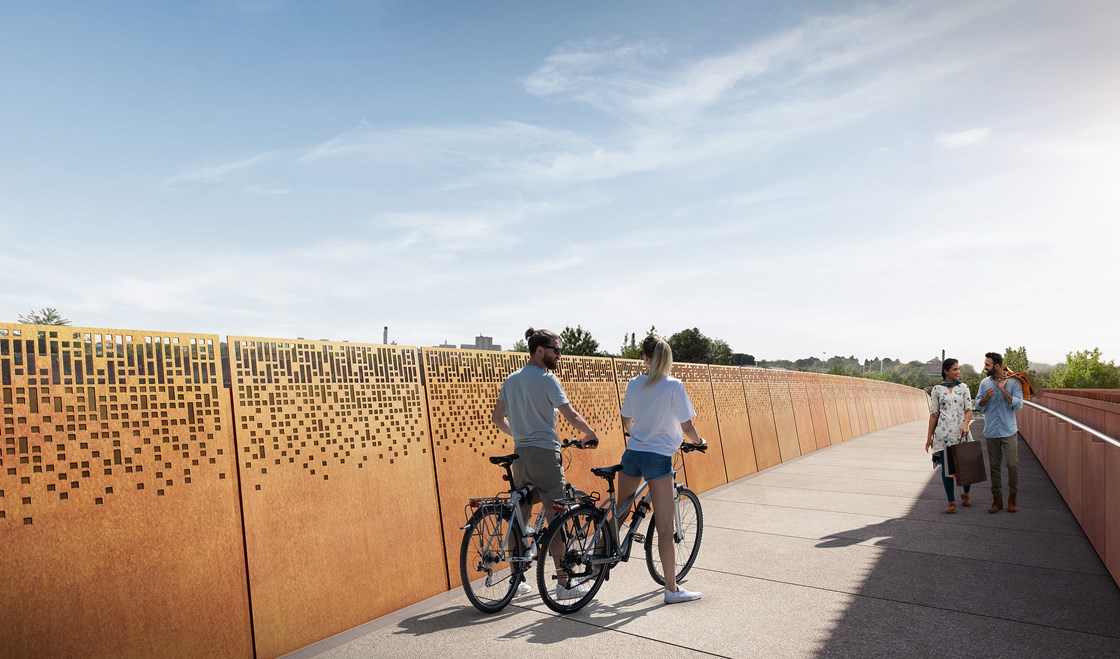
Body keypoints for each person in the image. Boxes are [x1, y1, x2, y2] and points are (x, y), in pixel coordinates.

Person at [492, 327, 600, 597]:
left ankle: (517, 582)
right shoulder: (546, 379)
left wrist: (520, 434)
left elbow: (497, 418)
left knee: (522, 518)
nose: (558, 355)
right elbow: (570, 414)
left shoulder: (512, 380)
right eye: (555, 349)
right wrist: (590, 433)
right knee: (556, 520)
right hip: (545, 455)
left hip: (520, 457)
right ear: (539, 350)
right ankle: (563, 584)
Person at [616, 335, 707, 604]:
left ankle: (597, 566)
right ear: (667, 358)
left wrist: (640, 435)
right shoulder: (674, 386)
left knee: (619, 513)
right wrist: (699, 442)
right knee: (666, 529)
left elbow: (626, 421)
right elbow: (687, 426)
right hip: (658, 459)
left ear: (644, 357)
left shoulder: (635, 383)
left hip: (632, 453)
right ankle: (672, 589)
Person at [975, 351, 1024, 513]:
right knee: (994, 467)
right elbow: (978, 405)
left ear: (996, 366)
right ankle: (997, 500)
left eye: (987, 365)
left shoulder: (1014, 383)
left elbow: (1018, 405)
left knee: (1012, 465)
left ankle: (1013, 497)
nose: (984, 367)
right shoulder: (984, 383)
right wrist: (986, 398)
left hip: (1008, 431)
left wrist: (1003, 391)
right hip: (991, 431)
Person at [925, 358, 974, 513]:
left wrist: (966, 424)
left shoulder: (964, 388)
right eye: (954, 369)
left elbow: (969, 409)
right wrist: (929, 438)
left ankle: (966, 494)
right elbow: (934, 415)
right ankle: (951, 501)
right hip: (943, 434)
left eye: (958, 369)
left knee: (966, 467)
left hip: (962, 432)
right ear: (946, 371)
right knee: (947, 469)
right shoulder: (937, 390)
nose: (958, 372)